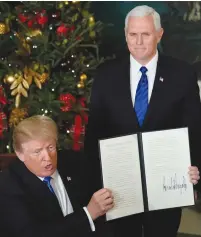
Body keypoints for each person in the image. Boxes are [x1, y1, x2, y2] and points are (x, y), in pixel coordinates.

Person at [85, 5, 201, 237]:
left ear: (159, 34)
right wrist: (93, 187)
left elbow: (195, 130)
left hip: (167, 191)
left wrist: (196, 175)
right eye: (132, 34)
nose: (138, 41)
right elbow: (94, 135)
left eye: (145, 34)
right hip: (119, 191)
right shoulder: (106, 75)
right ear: (125, 34)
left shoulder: (183, 74)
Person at [0, 115, 114, 237]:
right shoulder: (8, 185)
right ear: (20, 154)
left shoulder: (74, 161)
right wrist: (88, 214)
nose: (48, 158)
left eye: (51, 148)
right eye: (37, 152)